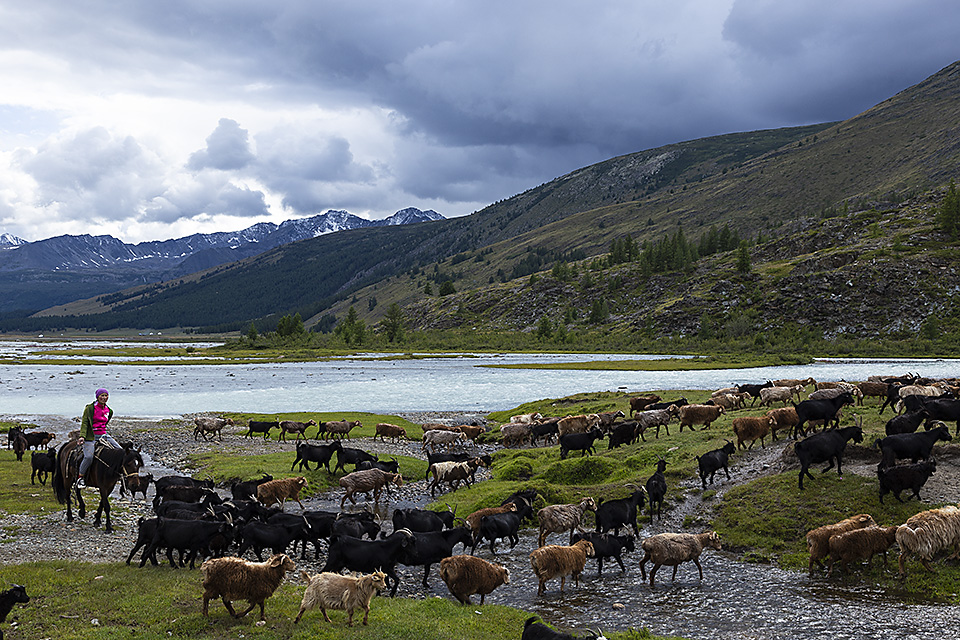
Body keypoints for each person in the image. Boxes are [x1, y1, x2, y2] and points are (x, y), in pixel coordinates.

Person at [75, 388, 120, 489]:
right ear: (97, 397)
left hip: (104, 435)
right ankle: (80, 477)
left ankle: (118, 474)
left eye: (106, 396)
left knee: (120, 451)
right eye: (102, 396)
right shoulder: (90, 409)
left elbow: (105, 423)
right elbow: (85, 423)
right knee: (88, 457)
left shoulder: (109, 410)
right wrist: (82, 436)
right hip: (91, 437)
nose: (104, 398)